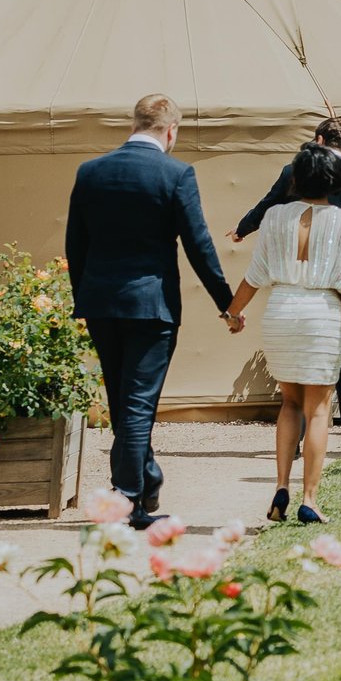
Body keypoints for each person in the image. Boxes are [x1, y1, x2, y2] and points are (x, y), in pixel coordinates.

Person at [65, 94, 236, 528]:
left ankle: (146, 475)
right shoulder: (175, 174)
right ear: (171, 131)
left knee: (122, 399)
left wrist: (84, 298)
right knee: (138, 403)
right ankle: (128, 497)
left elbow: (75, 244)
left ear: (134, 123)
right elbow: (198, 244)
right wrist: (226, 303)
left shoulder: (90, 172)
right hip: (151, 305)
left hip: (101, 303)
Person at [224, 143, 341, 522]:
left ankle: (280, 487)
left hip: (281, 311)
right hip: (321, 314)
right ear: (335, 180)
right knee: (318, 409)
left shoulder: (274, 217)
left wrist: (233, 312)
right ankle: (309, 499)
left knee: (289, 403)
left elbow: (255, 275)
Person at [233, 117, 341, 452]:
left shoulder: (293, 171)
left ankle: (296, 438)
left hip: (294, 279)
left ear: (318, 139)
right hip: (338, 280)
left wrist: (243, 228)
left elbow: (268, 206)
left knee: (300, 363)